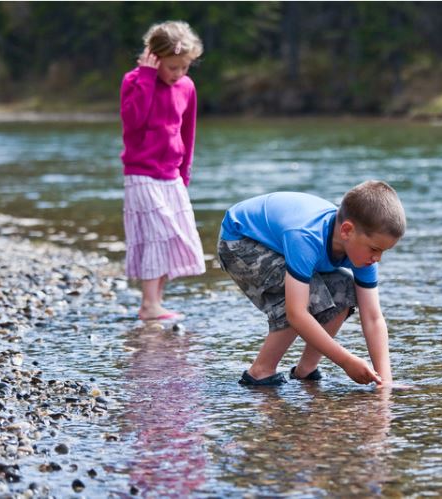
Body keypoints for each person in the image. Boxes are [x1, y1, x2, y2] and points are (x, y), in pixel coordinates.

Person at [217, 180, 406, 387]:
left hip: (279, 241)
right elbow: (296, 314)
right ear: (346, 231)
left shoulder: (363, 250)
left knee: (344, 288)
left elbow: (372, 317)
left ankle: (305, 370)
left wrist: (385, 382)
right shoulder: (306, 237)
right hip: (240, 241)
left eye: (382, 251)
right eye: (374, 249)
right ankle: (260, 371)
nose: (377, 258)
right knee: (308, 294)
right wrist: (346, 361)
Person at [120, 21, 206, 322]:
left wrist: (185, 173)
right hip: (141, 173)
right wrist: (145, 77)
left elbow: (188, 133)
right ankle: (148, 304)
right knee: (157, 232)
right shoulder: (134, 81)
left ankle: (156, 301)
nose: (179, 74)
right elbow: (133, 121)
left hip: (172, 176)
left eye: (184, 67)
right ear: (154, 58)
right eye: (172, 67)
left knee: (176, 236)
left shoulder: (187, 87)